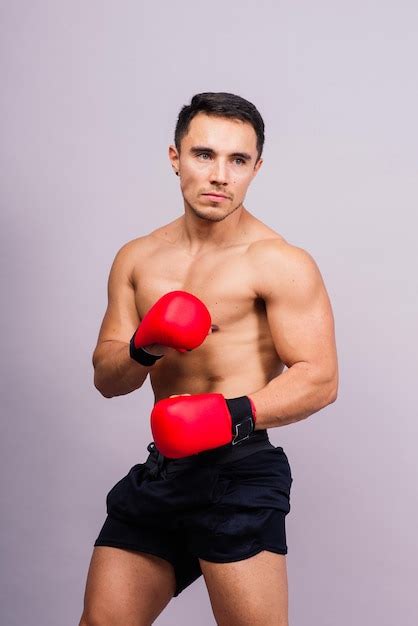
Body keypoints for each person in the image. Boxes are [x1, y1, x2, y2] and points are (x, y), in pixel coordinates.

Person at [79, 92, 338, 626]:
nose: (220, 175)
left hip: (238, 472)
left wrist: (228, 415)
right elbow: (107, 377)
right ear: (175, 157)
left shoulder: (279, 262)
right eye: (204, 155)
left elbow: (320, 378)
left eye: (237, 160)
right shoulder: (138, 257)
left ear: (256, 168)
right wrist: (144, 344)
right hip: (163, 473)